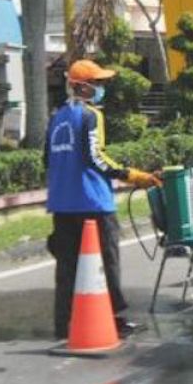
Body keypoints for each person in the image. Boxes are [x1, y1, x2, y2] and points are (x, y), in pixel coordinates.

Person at [44, 59, 162, 339]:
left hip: (61, 204)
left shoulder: (56, 117)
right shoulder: (90, 115)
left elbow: (47, 159)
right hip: (94, 204)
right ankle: (115, 321)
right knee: (107, 263)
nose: (101, 88)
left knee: (67, 267)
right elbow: (96, 157)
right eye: (96, 84)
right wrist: (133, 175)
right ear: (80, 87)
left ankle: (64, 325)